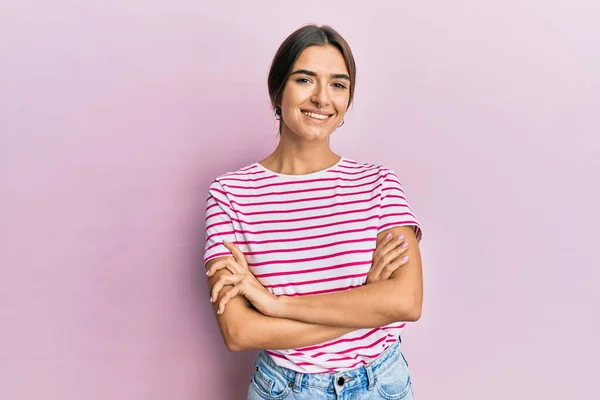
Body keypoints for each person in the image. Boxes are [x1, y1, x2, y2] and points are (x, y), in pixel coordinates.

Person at [204, 24, 423, 400]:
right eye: (305, 79)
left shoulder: (379, 184)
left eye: (338, 84)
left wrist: (275, 306)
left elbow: (406, 302)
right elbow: (239, 333)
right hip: (285, 389)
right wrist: (367, 302)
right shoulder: (229, 195)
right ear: (278, 92)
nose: (322, 98)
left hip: (381, 385)